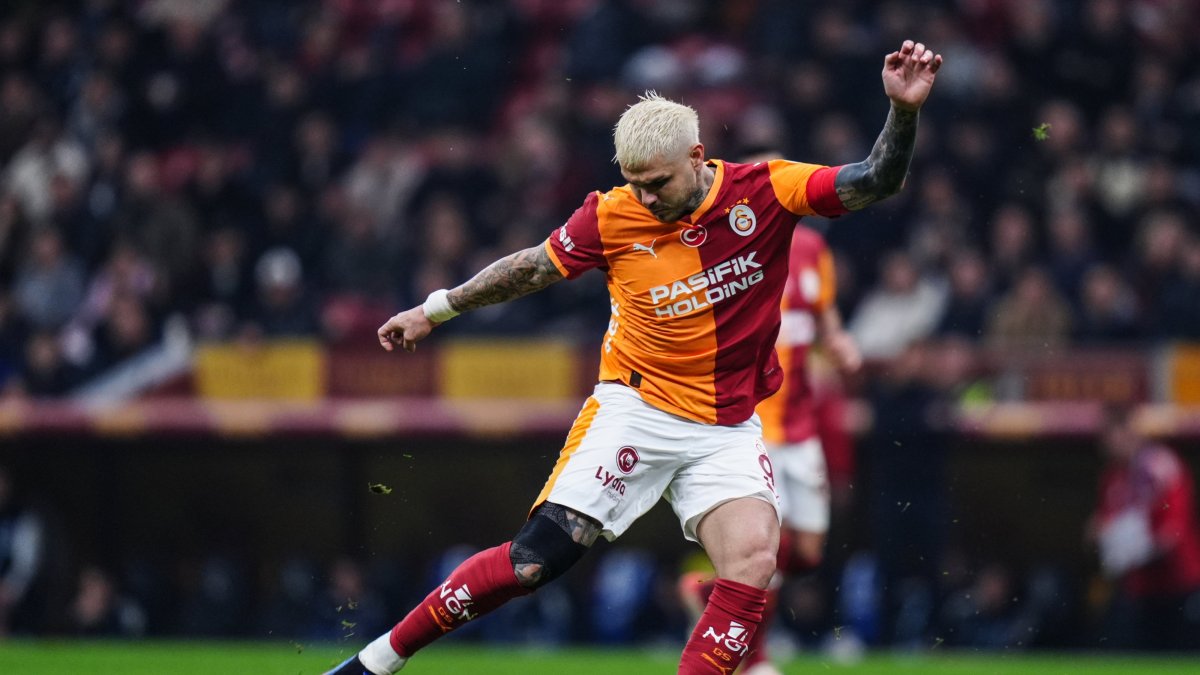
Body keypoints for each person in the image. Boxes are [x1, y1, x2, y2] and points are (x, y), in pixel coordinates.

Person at [329, 40, 941, 675]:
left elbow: (876, 181)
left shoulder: (768, 190)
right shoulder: (613, 216)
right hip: (636, 408)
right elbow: (529, 269)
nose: (644, 199)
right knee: (532, 562)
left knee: (754, 562)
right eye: (634, 184)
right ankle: (372, 664)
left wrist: (902, 112)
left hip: (727, 427)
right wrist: (435, 311)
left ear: (698, 158)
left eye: (657, 184)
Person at [678, 224, 862, 675]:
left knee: (807, 552)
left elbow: (824, 317)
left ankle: (707, 594)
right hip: (756, 428)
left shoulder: (812, 249)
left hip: (803, 431)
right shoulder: (730, 256)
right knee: (766, 549)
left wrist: (835, 342)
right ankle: (755, 657)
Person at [1088, 405, 1200, 650]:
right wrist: (1102, 535)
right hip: (1139, 588)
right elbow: (1103, 524)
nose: (1108, 443)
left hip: (1179, 583)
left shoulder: (1161, 466)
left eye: (1112, 435)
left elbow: (1174, 529)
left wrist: (1141, 548)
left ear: (1130, 431)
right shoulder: (1113, 476)